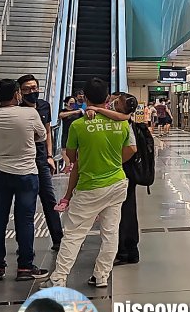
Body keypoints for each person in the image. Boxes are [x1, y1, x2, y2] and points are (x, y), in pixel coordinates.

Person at [44, 78, 136, 290]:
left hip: (89, 186)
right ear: (107, 98)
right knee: (110, 232)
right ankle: (101, 276)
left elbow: (71, 155)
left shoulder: (78, 125)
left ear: (84, 98)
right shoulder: (122, 123)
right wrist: (113, 161)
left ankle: (59, 277)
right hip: (117, 183)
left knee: (74, 234)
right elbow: (131, 149)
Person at [0, 79, 49, 282]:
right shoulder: (30, 113)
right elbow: (42, 135)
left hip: (0, 174)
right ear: (16, 95)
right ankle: (25, 267)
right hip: (26, 174)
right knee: (25, 221)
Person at [18, 74, 64, 251]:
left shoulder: (44, 105)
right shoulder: (18, 109)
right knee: (25, 202)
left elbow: (47, 132)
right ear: (20, 92)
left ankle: (58, 239)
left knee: (48, 198)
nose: (32, 92)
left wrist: (50, 156)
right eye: (27, 89)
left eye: (34, 88)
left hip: (42, 158)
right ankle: (24, 243)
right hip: (24, 160)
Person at [113, 93, 145, 267]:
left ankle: (126, 250)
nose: (113, 104)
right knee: (127, 209)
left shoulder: (123, 123)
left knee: (123, 211)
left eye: (116, 102)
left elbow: (131, 149)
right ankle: (129, 249)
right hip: (129, 172)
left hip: (124, 171)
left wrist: (116, 162)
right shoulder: (127, 122)